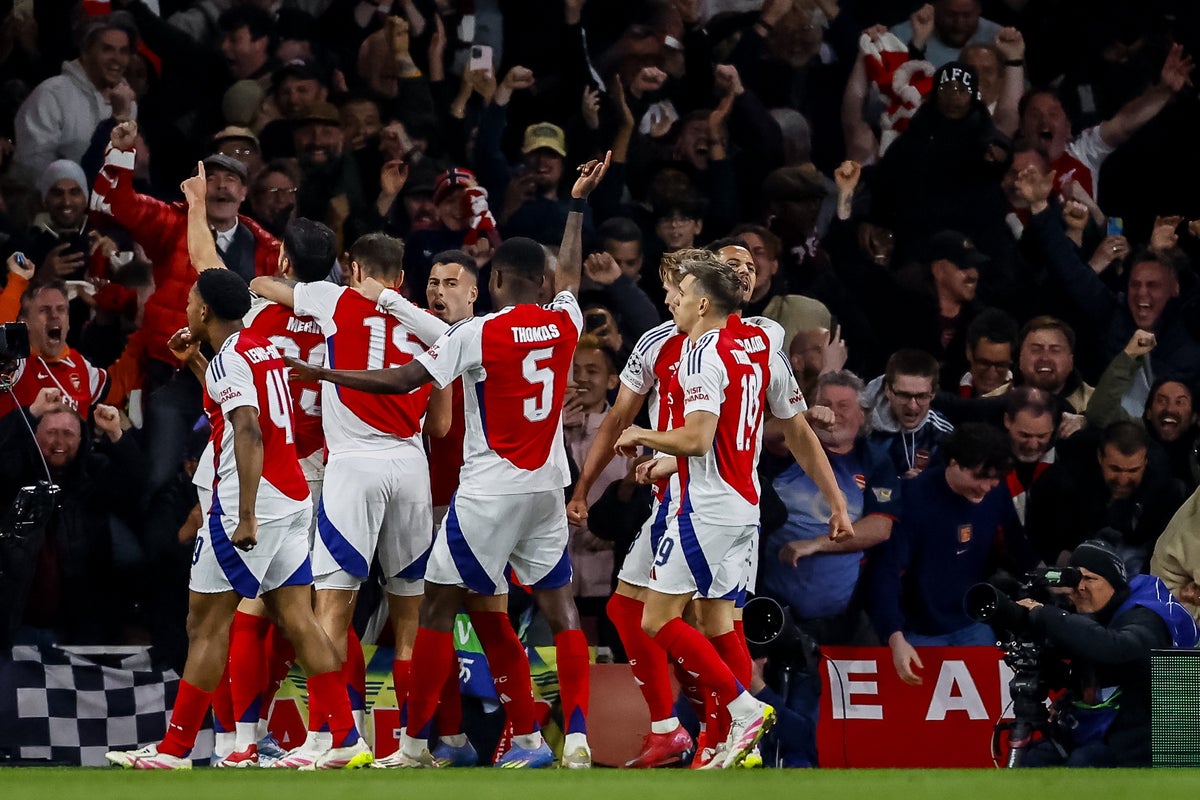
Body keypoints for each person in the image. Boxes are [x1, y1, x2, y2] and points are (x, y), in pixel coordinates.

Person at [286, 153, 613, 769]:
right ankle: (573, 735)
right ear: (540, 283)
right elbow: (570, 277)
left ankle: (412, 746)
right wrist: (576, 205)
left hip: (488, 489)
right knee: (557, 606)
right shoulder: (563, 321)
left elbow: (403, 378)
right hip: (546, 485)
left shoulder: (477, 334)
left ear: (492, 283)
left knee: (434, 603)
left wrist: (324, 371)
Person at [103, 268, 369, 770]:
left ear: (205, 311)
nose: (185, 310)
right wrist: (196, 363)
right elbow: (242, 405)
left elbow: (247, 429)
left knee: (203, 624)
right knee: (297, 617)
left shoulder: (232, 358)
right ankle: (346, 737)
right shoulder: (259, 347)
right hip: (291, 497)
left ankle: (176, 750)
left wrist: (244, 515)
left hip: (254, 505)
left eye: (189, 302)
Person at [613, 251, 854, 769]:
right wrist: (836, 500)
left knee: (656, 620)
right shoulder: (760, 345)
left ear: (702, 303)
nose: (672, 305)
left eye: (678, 297)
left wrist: (644, 436)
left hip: (703, 507)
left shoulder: (702, 353)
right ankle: (723, 743)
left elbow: (698, 439)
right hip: (743, 505)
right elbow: (793, 429)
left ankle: (743, 711)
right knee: (721, 622)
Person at [251, 231, 450, 768]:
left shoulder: (334, 298)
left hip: (352, 467)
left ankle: (330, 738)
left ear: (352, 270)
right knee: (410, 617)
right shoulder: (429, 324)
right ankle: (412, 747)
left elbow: (264, 284)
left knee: (332, 608)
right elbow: (444, 422)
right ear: (403, 279)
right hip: (412, 467)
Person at [209, 217, 336, 767]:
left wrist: (194, 205)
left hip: (266, 470)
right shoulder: (340, 313)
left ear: (284, 261)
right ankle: (338, 732)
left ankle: (240, 738)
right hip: (323, 472)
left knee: (249, 609)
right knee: (315, 607)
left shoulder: (254, 316)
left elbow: (211, 277)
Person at [868, 423, 1036, 685]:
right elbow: (885, 572)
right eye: (980, 477)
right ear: (954, 462)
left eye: (994, 479)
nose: (986, 487)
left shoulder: (996, 491)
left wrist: (1044, 581)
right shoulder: (913, 501)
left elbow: (1016, 545)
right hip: (918, 630)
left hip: (974, 622)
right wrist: (895, 636)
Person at [1017, 540, 1198, 767]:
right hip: (1112, 726)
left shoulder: (1147, 615)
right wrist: (1070, 697)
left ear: (1113, 584)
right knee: (1034, 761)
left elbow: (1116, 648)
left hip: (1156, 737)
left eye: (1090, 579)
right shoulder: (1101, 614)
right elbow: (1111, 674)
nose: (1081, 587)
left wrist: (1047, 615)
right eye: (1076, 580)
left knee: (1083, 763)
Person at [0, 390, 144, 648]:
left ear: (81, 439)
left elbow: (136, 482)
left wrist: (115, 433)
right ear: (35, 435)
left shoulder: (94, 473)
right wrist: (32, 412)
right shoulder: (15, 471)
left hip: (79, 627)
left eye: (68, 434)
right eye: (51, 432)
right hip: (14, 622)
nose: (59, 442)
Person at [1026, 421, 1184, 574]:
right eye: (1115, 469)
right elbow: (1038, 528)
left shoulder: (1162, 484)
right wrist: (1061, 557)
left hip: (1135, 549)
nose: (1123, 480)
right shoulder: (1066, 478)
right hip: (1075, 547)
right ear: (1100, 457)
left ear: (1145, 461)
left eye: (1133, 471)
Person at [12, 13, 139, 185]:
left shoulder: (127, 101)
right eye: (107, 49)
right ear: (85, 52)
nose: (117, 59)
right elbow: (34, 168)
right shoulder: (51, 94)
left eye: (123, 51)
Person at [864, 349, 955, 479]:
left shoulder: (943, 434)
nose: (912, 405)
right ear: (888, 390)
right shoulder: (861, 427)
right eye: (904, 395)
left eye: (921, 396)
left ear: (933, 393)